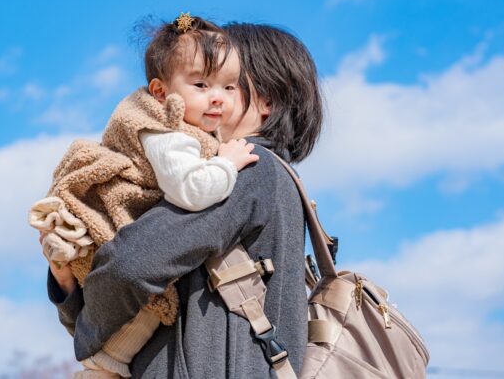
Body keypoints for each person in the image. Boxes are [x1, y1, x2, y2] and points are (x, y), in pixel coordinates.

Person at [45, 22, 324, 378]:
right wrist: (69, 286)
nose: (213, 97)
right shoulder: (263, 174)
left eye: (229, 84)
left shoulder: (244, 168)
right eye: (202, 82)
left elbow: (131, 266)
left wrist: (87, 325)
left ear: (266, 101)